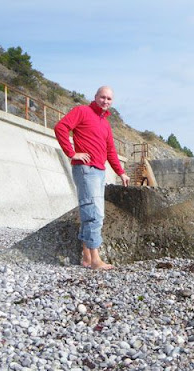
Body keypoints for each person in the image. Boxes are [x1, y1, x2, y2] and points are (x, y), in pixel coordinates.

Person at [54, 86, 130, 270]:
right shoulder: (82, 111)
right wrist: (72, 153)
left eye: (109, 99)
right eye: (102, 97)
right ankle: (96, 260)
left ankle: (86, 257)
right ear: (95, 97)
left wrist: (121, 172)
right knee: (95, 214)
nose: (105, 101)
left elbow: (110, 151)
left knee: (90, 212)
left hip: (99, 171)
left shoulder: (105, 123)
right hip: (85, 169)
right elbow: (61, 127)